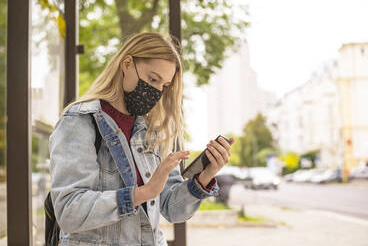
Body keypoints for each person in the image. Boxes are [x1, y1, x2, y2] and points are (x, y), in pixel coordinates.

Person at [49, 32, 235, 246]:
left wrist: (205, 176)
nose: (156, 91)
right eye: (152, 79)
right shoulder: (80, 121)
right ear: (127, 63)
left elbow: (172, 209)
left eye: (163, 86)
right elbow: (69, 211)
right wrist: (141, 194)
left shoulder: (152, 132)